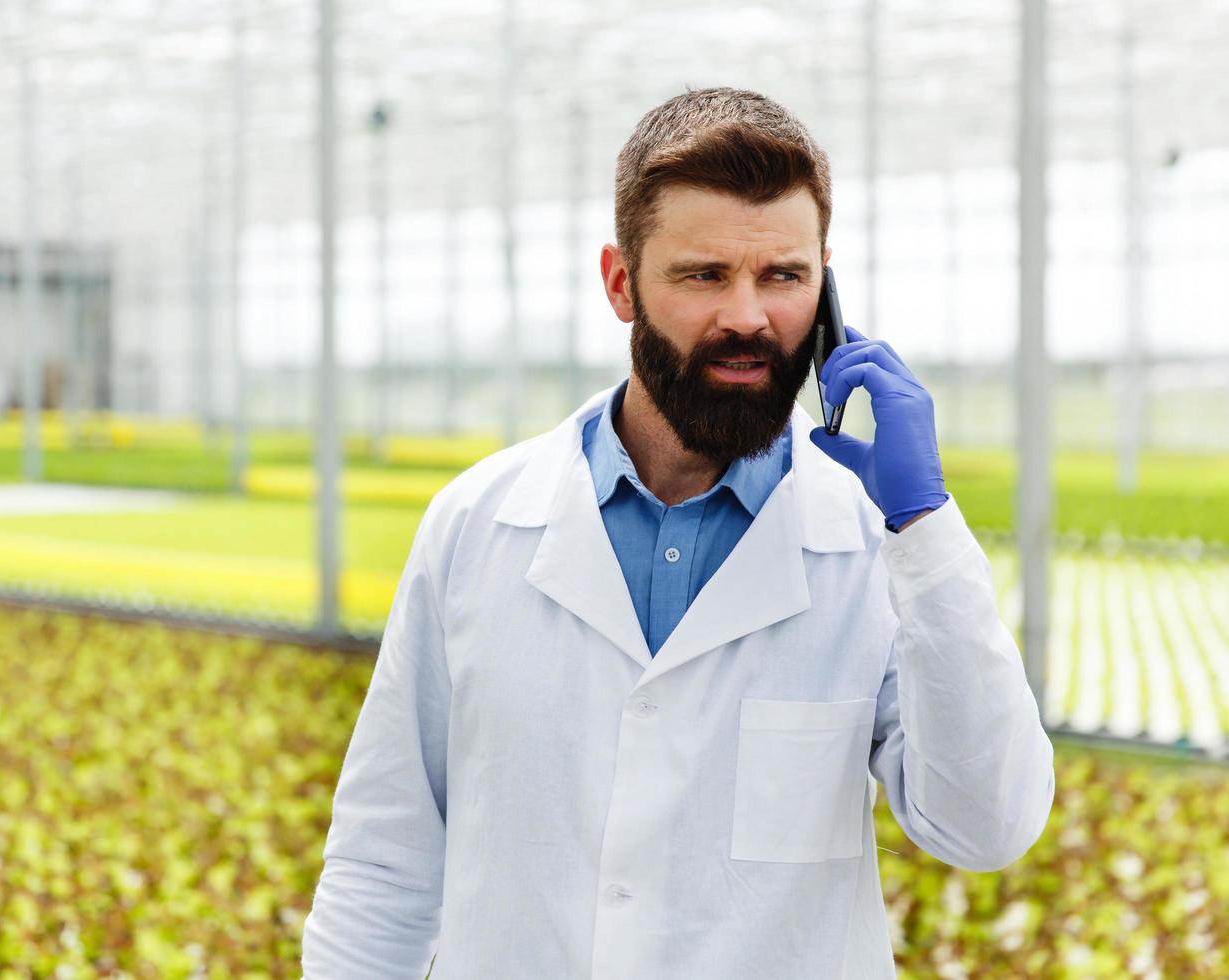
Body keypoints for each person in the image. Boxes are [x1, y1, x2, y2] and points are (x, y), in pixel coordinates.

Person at [301, 86, 1054, 979]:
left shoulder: (871, 548)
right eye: (705, 275)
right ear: (622, 283)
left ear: (826, 284)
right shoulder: (477, 525)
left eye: (784, 275)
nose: (748, 316)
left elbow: (985, 825)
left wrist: (924, 529)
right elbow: (384, 860)